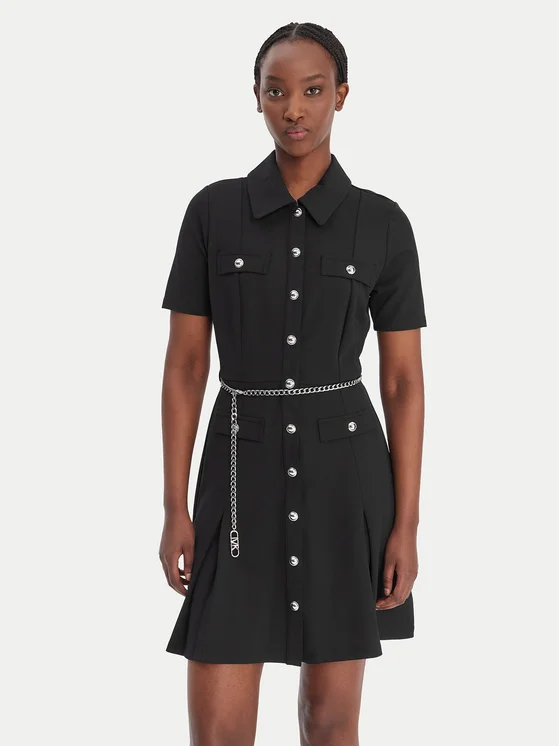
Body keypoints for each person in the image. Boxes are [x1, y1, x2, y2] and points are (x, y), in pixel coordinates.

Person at [159, 21, 427, 746]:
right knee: (217, 732)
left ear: (341, 95)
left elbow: (403, 381)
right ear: (256, 97)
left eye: (312, 90)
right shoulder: (213, 212)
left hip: (346, 481)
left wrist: (405, 524)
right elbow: (185, 366)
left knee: (331, 725)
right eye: (276, 92)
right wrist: (175, 507)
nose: (294, 109)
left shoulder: (383, 224)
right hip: (237, 478)